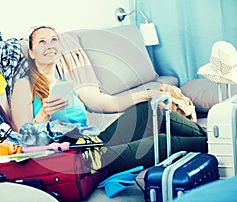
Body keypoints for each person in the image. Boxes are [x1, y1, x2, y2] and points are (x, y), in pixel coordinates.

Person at [10, 26, 207, 176]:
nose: (50, 45)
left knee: (151, 111)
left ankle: (216, 138)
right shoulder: (24, 85)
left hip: (93, 142)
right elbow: (25, 140)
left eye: (53, 40)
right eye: (41, 42)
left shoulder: (65, 82)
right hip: (76, 158)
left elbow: (109, 104)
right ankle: (217, 142)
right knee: (161, 143)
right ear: (32, 53)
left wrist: (149, 93)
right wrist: (44, 114)